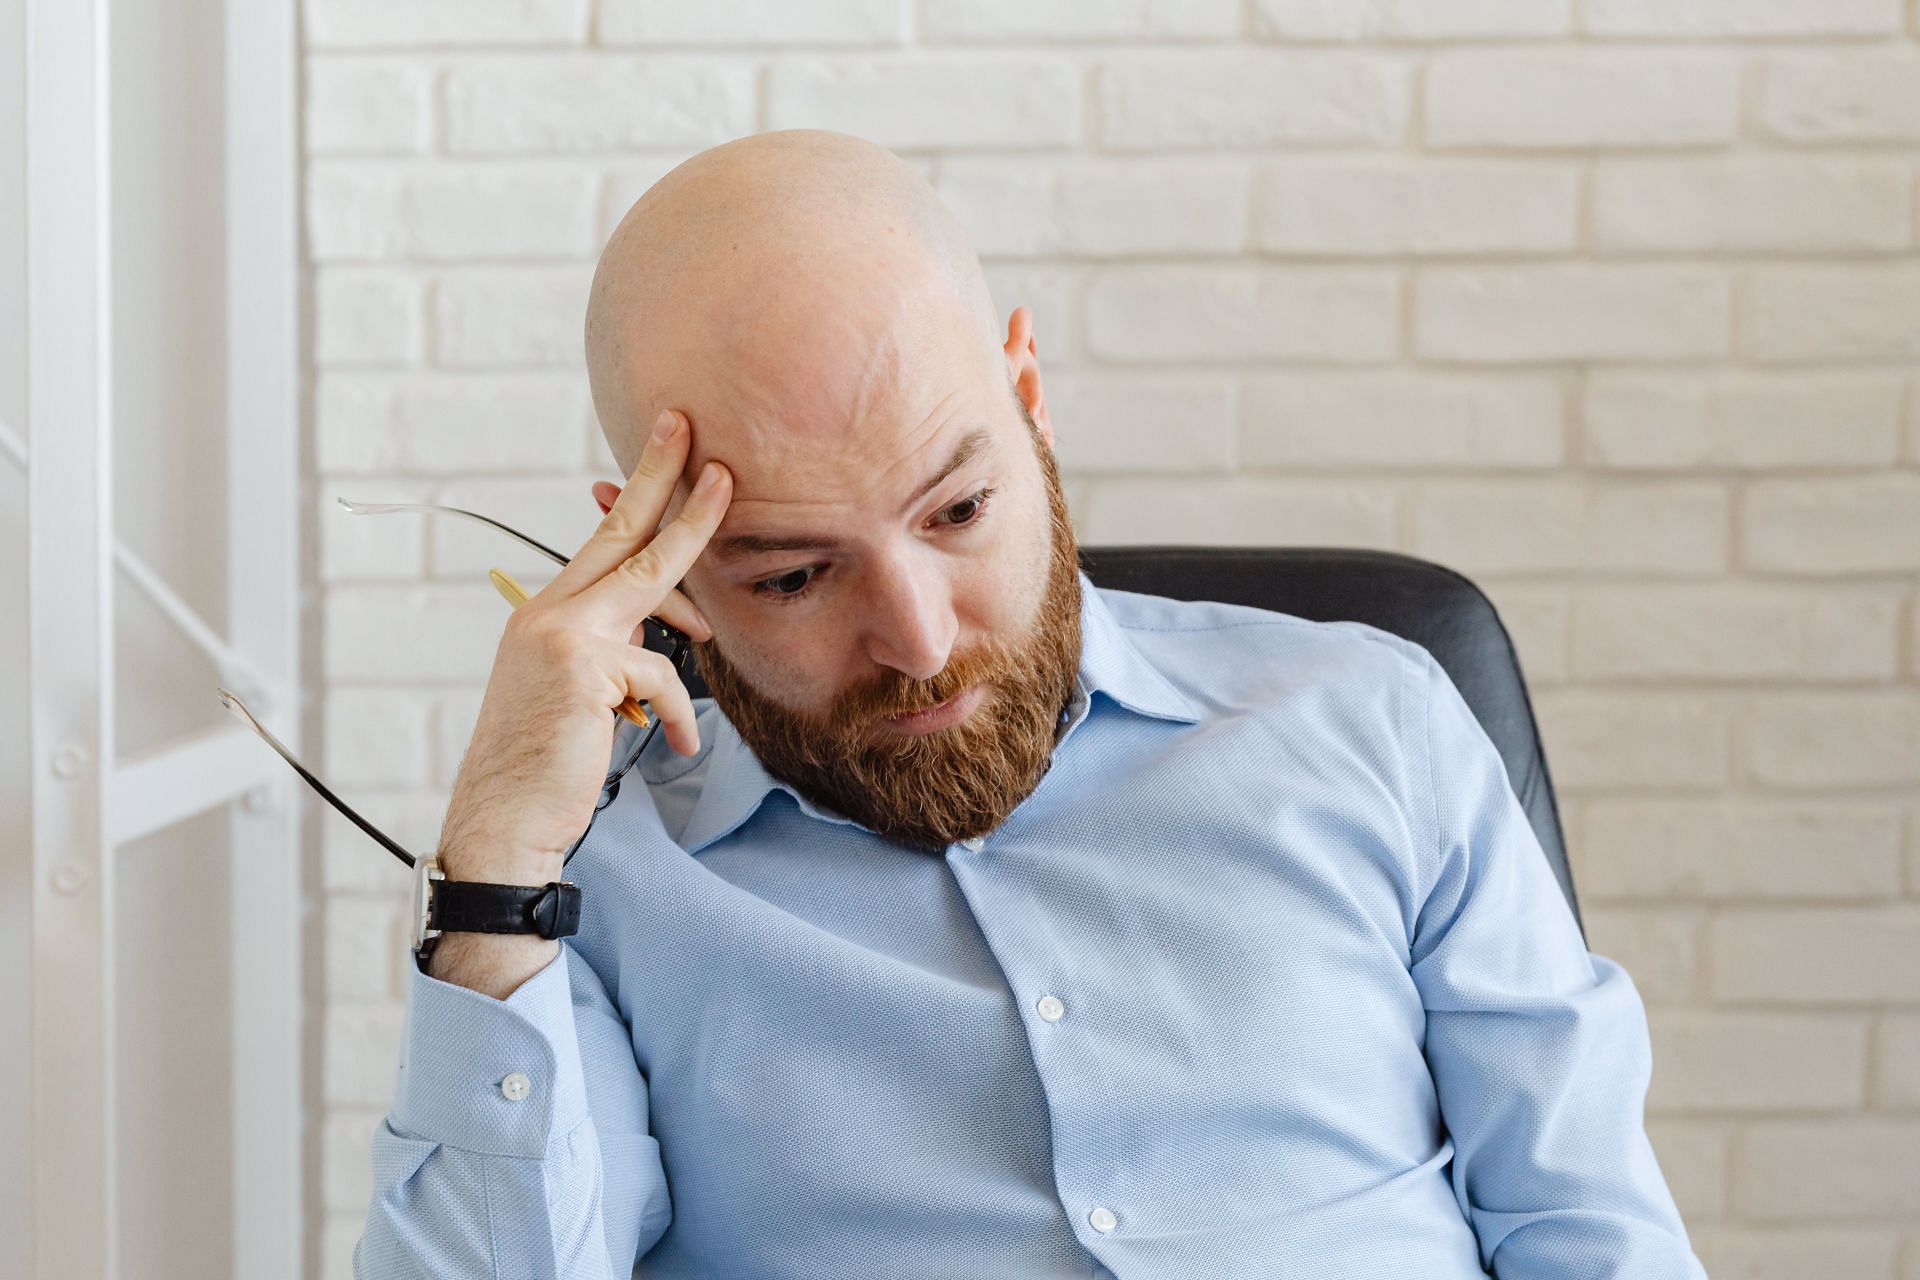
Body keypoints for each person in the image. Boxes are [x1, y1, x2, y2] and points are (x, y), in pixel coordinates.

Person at [353, 129, 1705, 1279]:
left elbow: (1590, 1229)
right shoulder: (596, 888)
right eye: (796, 574)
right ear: (651, 556)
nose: (920, 637)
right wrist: (495, 883)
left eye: (959, 509)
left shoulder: (1371, 724)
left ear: (1030, 394)